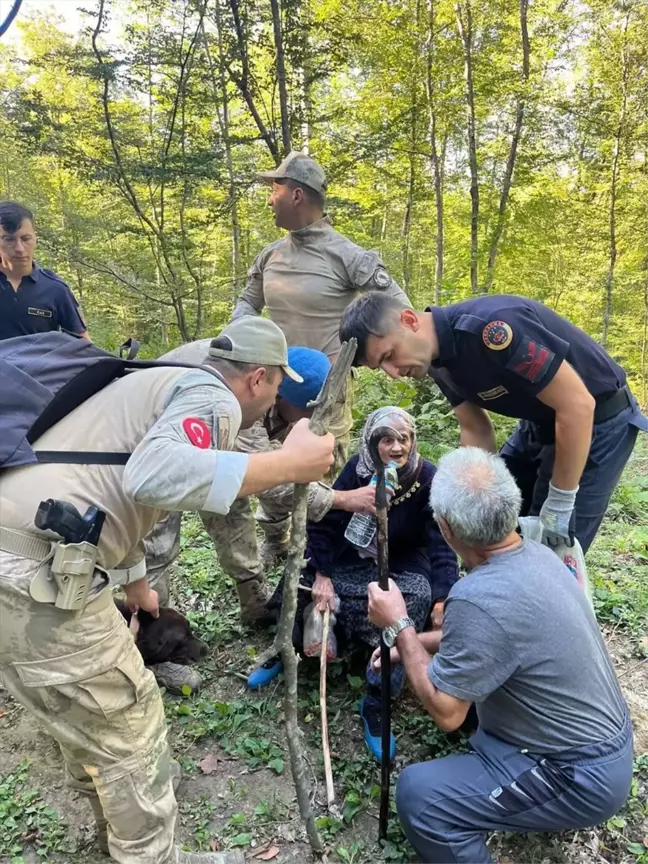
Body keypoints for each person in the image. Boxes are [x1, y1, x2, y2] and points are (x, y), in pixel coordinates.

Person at [0, 317, 334, 864]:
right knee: (131, 730)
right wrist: (285, 465)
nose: (274, 397)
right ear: (257, 378)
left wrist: (133, 582)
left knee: (79, 713)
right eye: (277, 384)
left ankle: (117, 818)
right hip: (34, 578)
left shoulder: (155, 382)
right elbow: (152, 476)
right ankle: (149, 848)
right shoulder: (212, 397)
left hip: (19, 561)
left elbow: (108, 482)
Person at [368, 447, 633, 864]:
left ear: (446, 527)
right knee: (463, 701)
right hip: (601, 745)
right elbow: (490, 634)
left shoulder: (478, 597)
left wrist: (399, 624)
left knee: (421, 797)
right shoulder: (537, 555)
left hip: (579, 774)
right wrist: (413, 645)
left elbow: (446, 713)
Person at [143, 343, 379, 696]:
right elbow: (272, 483)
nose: (304, 422)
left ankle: (253, 601)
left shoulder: (273, 378)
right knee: (157, 543)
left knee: (231, 505)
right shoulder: (239, 402)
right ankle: (154, 649)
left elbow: (244, 478)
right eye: (302, 413)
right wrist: (342, 499)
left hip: (209, 448)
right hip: (157, 455)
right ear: (276, 394)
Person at [340, 291, 648, 552]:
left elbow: (578, 405)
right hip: (538, 422)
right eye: (381, 367)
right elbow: (475, 427)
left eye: (390, 355)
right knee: (491, 521)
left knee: (554, 547)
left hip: (598, 423)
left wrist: (561, 501)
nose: (393, 372)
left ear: (409, 321)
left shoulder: (492, 330)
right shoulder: (435, 361)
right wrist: (463, 489)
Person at [250, 408, 458, 762]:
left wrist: (442, 600)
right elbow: (323, 522)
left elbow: (441, 545)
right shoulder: (357, 472)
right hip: (350, 561)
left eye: (403, 438)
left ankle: (377, 698)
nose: (396, 447)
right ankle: (292, 647)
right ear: (370, 441)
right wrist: (323, 575)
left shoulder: (427, 479)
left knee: (414, 601)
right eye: (386, 439)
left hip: (399, 568)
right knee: (300, 576)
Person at [232, 151, 410, 558]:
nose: (269, 198)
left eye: (274, 189)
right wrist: (242, 342)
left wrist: (371, 355)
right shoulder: (270, 255)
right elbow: (247, 303)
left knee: (325, 470)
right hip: (271, 388)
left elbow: (399, 310)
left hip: (325, 392)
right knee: (271, 463)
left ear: (297, 195)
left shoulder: (347, 256)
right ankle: (276, 542)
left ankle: (321, 554)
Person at [0, 201, 89, 340]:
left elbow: (84, 346)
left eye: (25, 239)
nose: (20, 248)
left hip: (41, 362)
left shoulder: (56, 289)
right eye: (9, 239)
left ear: (36, 239)